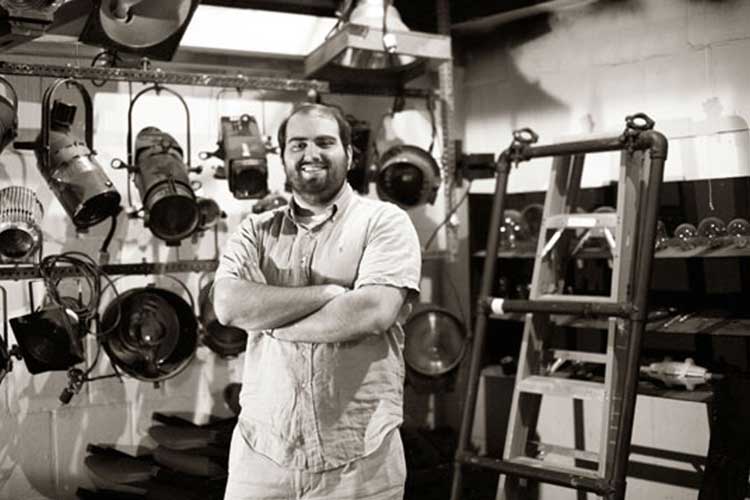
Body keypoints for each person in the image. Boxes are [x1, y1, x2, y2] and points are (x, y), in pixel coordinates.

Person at [213, 102, 422, 500]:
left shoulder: (385, 222)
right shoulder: (255, 231)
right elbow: (228, 306)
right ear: (284, 156)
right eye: (298, 144)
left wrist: (267, 316)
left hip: (359, 458)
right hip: (264, 455)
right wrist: (327, 295)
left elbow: (372, 312)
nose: (311, 154)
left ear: (349, 152)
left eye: (325, 142)